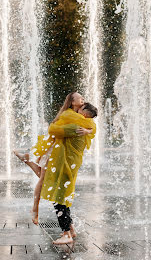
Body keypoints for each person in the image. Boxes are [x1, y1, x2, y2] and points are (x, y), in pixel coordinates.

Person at [14, 93, 95, 224]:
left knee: (44, 176)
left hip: (62, 151)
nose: (83, 99)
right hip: (54, 149)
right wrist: (84, 129)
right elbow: (53, 129)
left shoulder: (81, 114)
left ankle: (26, 160)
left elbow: (92, 125)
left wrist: (88, 131)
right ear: (72, 101)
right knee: (43, 178)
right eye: (80, 98)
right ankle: (35, 209)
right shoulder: (67, 114)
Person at [40, 102, 97, 245]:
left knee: (58, 198)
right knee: (63, 197)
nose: (76, 110)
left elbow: (53, 130)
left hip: (65, 166)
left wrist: (61, 115)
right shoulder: (87, 125)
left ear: (83, 113)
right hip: (70, 165)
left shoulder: (75, 127)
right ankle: (71, 229)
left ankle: (66, 234)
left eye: (79, 108)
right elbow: (93, 128)